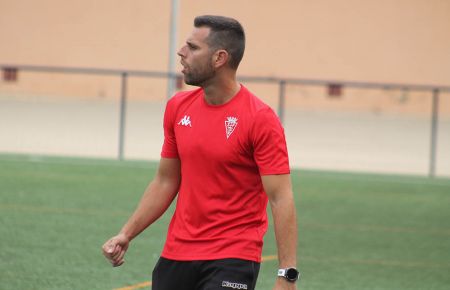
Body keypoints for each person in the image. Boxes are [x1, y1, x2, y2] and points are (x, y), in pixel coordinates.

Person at [102, 15, 299, 290]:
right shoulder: (177, 107)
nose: (181, 53)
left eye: (193, 47)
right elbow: (166, 181)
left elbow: (281, 198)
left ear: (219, 58)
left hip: (233, 257)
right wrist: (127, 233)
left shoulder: (260, 119)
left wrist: (286, 275)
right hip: (176, 254)